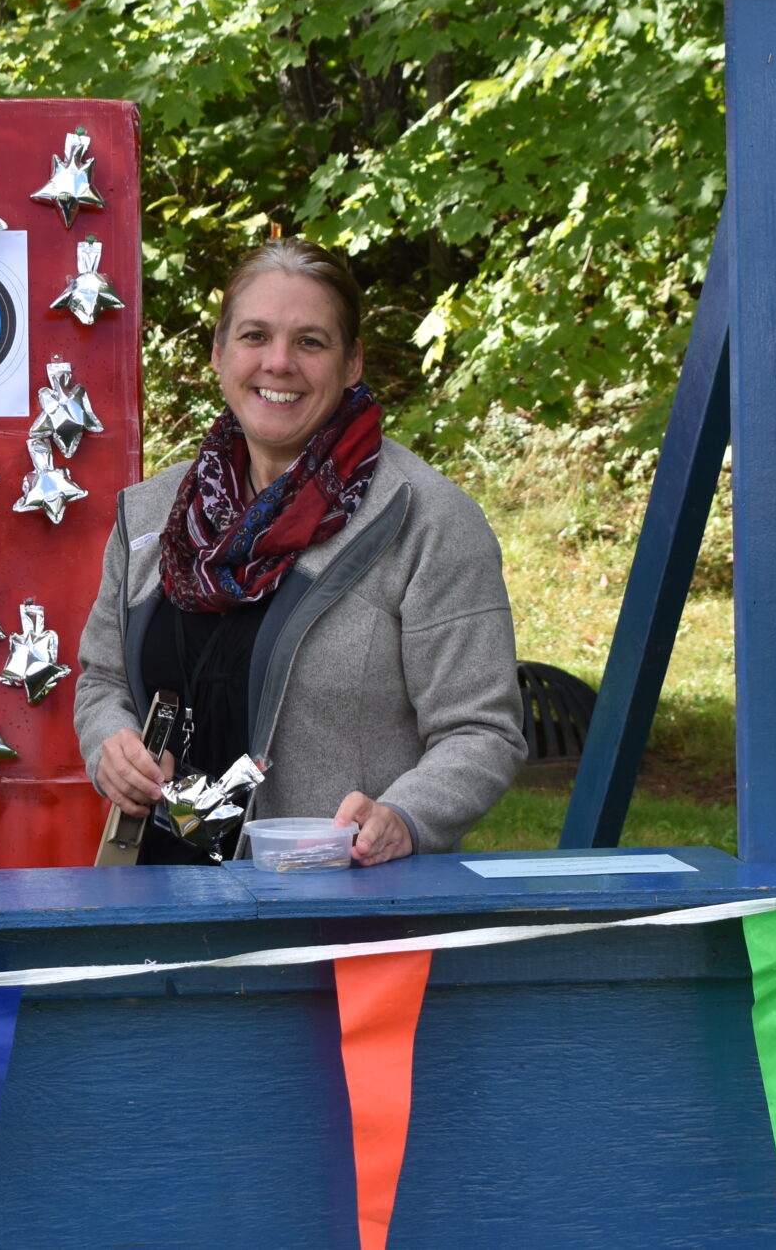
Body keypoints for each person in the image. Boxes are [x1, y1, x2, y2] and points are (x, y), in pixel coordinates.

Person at [75, 239, 525, 865]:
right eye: (255, 336)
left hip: (338, 898)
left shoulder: (427, 521)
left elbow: (482, 730)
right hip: (162, 893)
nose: (279, 362)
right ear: (219, 352)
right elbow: (101, 681)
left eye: (311, 342)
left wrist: (404, 817)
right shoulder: (151, 515)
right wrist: (110, 745)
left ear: (352, 362)